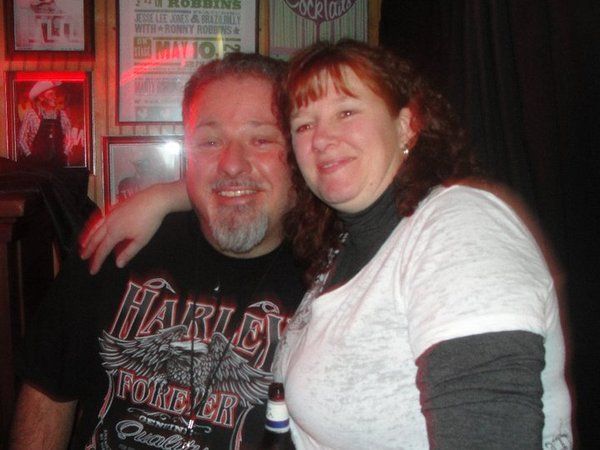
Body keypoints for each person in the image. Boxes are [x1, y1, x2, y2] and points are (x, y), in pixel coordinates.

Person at [80, 40, 573, 449]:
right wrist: (167, 196)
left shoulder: (458, 226)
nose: (322, 138)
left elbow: (490, 425)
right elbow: (239, 182)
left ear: (406, 125)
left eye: (347, 111)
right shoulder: (341, 249)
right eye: (303, 124)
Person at [10, 53, 305, 449]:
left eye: (261, 139)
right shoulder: (122, 243)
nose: (232, 164)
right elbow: (48, 390)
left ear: (298, 152)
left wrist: (167, 194)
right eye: (210, 141)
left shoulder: (330, 275)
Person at [17, 80, 73, 168]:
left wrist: (64, 154)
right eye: (50, 94)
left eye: (55, 94)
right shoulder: (31, 114)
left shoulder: (62, 115)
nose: (54, 97)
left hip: (58, 166)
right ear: (41, 97)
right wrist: (30, 156)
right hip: (37, 167)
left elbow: (70, 138)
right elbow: (21, 140)